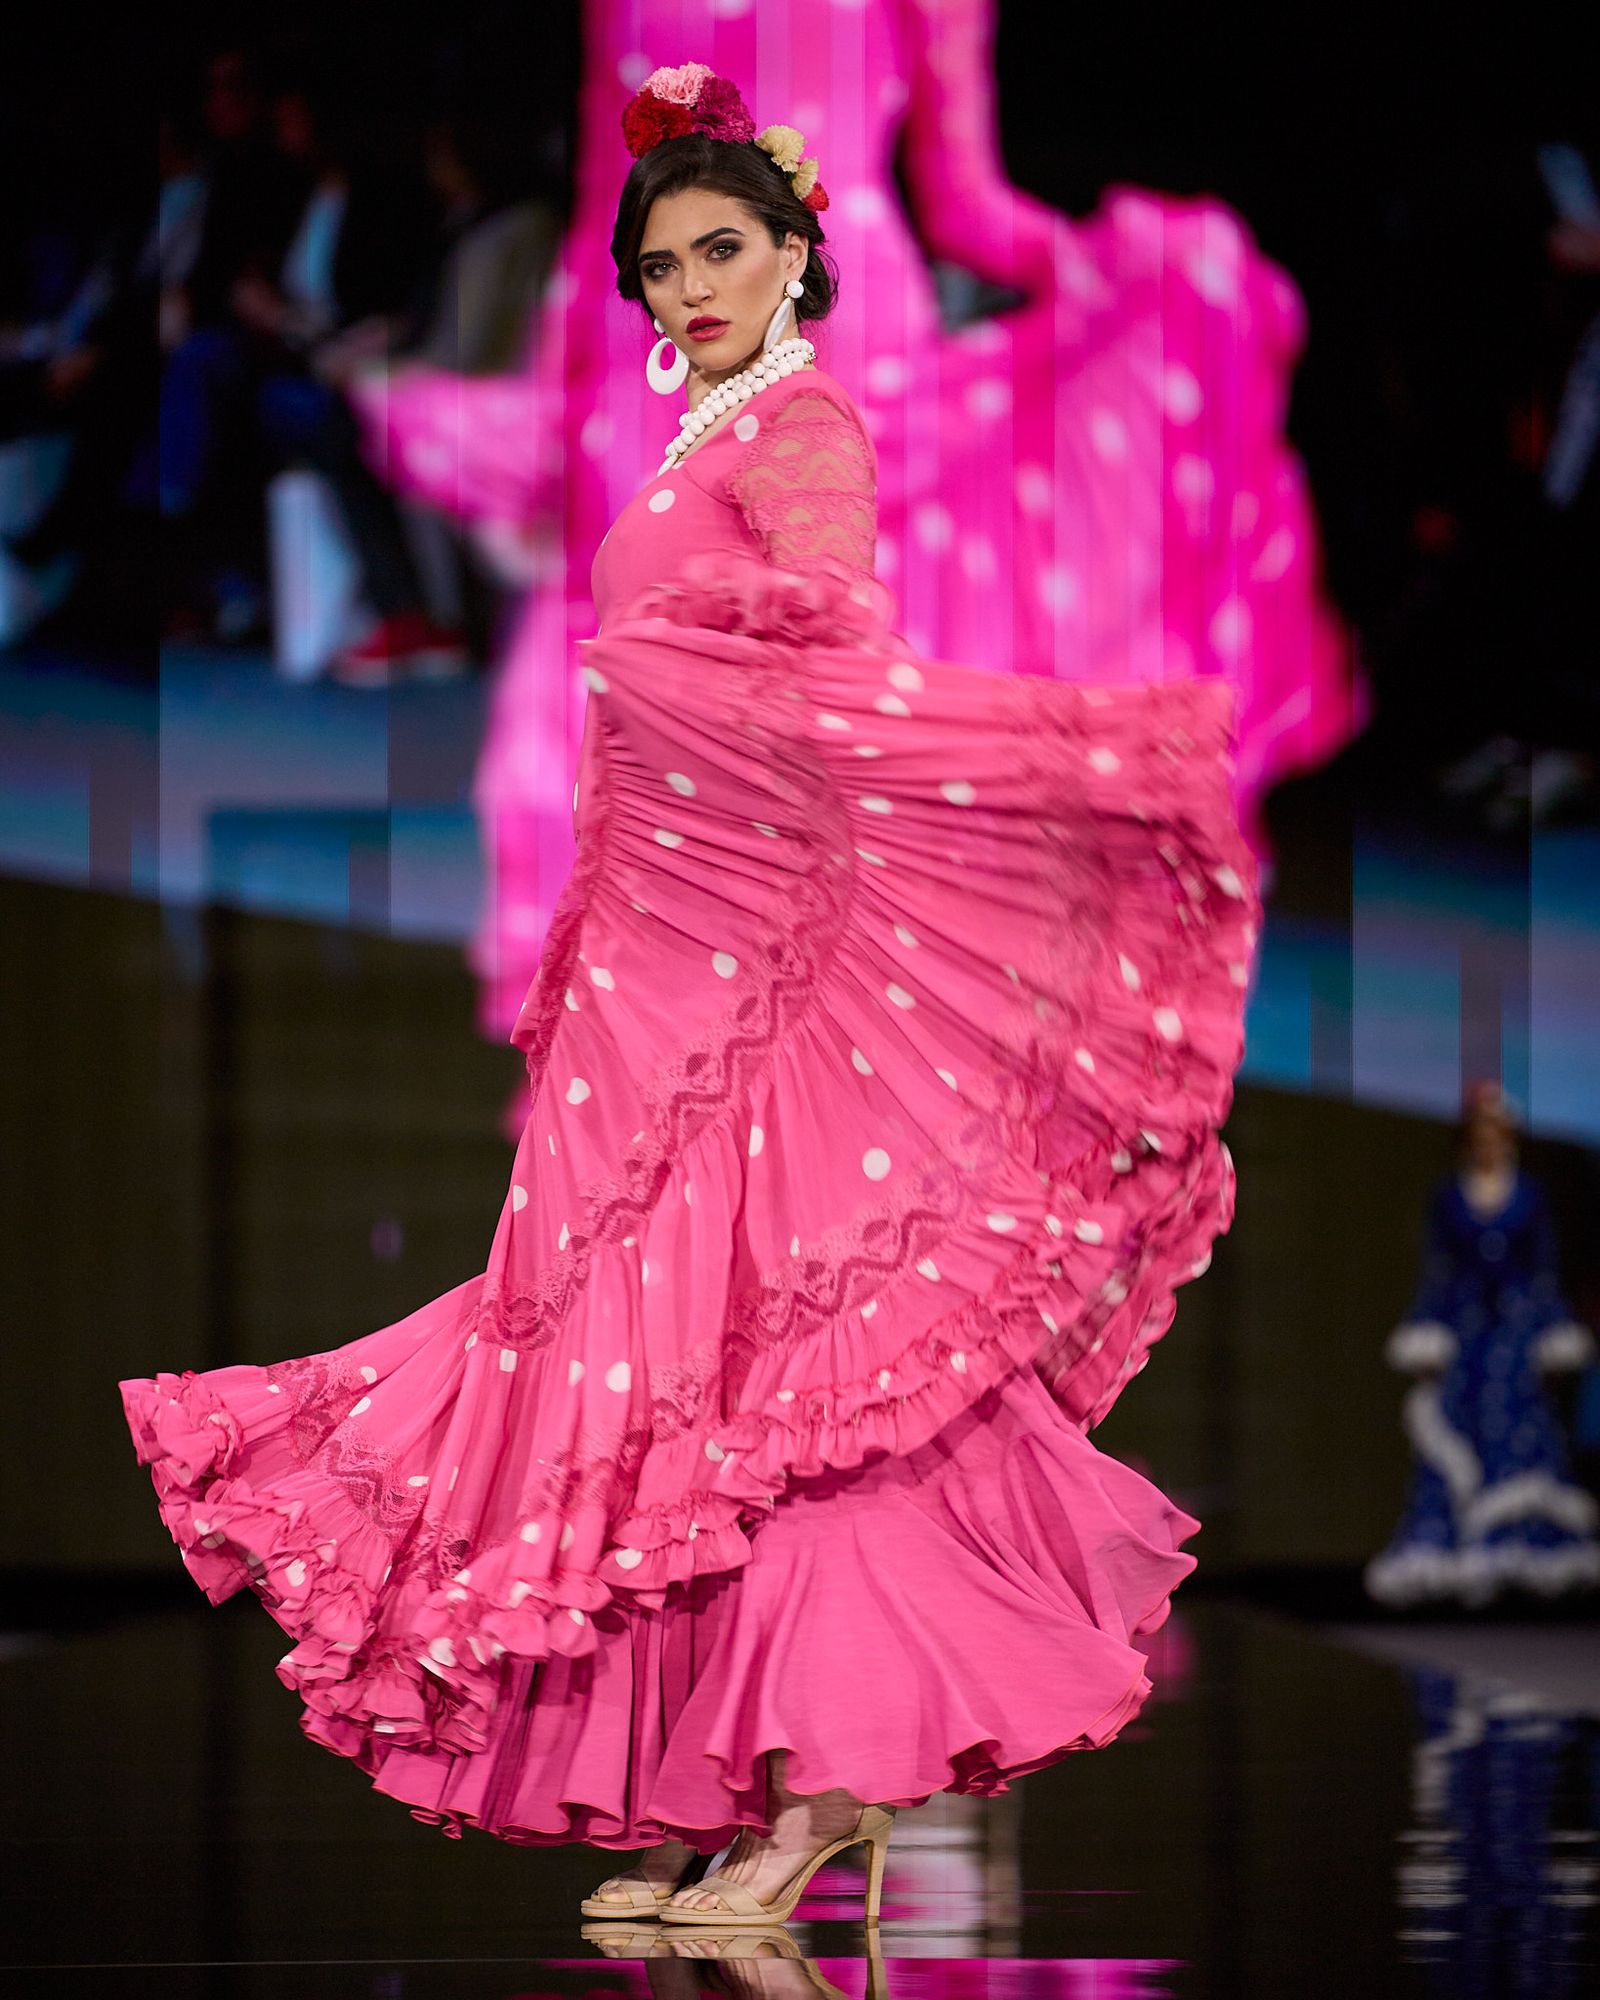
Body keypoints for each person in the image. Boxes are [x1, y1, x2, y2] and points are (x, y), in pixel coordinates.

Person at [120, 66, 1259, 1928]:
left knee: (779, 1375)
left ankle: (820, 1796)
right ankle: (721, 1799)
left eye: (723, 249)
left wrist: (689, 668)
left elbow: (837, 632)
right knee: (651, 1379)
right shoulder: (698, 437)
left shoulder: (799, 430)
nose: (688, 285)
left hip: (744, 976)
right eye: (662, 263)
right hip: (654, 960)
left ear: (799, 256)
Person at [1365, 1081, 1599, 1608]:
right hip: (1468, 1331)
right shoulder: (1449, 1196)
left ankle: (1522, 1549)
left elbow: (1542, 1268)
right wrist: (1429, 1335)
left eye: (1498, 1133)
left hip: (1515, 1334)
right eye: (1481, 1133)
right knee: (1458, 1429)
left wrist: (1549, 1335)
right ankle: (1458, 1553)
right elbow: (1439, 1269)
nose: (1490, 1143)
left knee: (1519, 1435)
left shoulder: (1531, 1195)